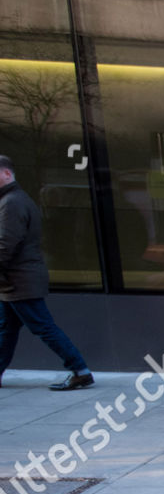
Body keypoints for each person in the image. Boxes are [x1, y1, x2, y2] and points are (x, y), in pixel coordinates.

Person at [0, 155, 93, 391]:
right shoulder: (13, 200)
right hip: (15, 280)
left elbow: (5, 244)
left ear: (7, 174)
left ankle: (80, 370)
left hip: (19, 281)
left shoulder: (12, 203)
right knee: (7, 328)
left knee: (43, 327)